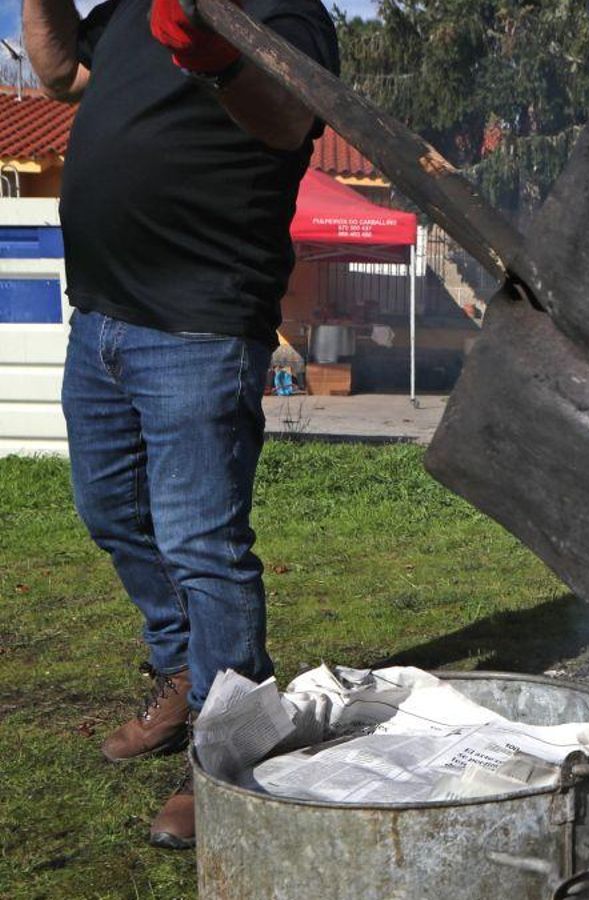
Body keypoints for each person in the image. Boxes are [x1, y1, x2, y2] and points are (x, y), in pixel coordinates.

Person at [25, 0, 338, 850]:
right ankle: (179, 675)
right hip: (100, 317)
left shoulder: (282, 12)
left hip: (200, 322)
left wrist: (212, 53)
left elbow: (289, 120)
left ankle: (228, 756)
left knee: (202, 543)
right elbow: (60, 76)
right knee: (109, 511)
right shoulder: (128, 8)